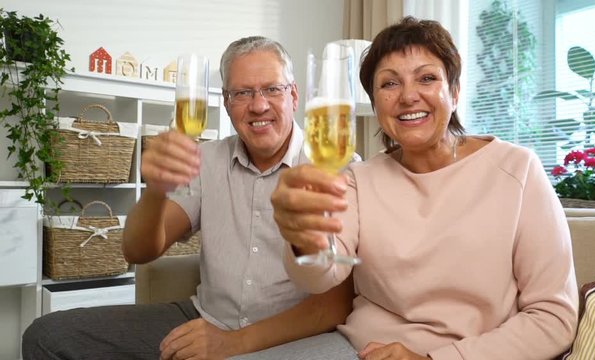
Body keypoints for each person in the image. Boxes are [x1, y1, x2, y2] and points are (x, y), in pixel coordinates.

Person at [22, 36, 356, 360]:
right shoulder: (206, 159)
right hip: (203, 318)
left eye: (272, 89)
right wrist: (156, 189)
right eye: (242, 92)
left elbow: (332, 306)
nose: (258, 105)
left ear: (294, 95)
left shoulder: (332, 166)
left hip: (288, 335)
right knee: (47, 336)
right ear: (226, 102)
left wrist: (232, 344)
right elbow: (138, 251)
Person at [271, 17, 579, 360]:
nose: (408, 96)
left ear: (455, 92)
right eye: (389, 84)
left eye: (427, 78)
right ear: (376, 104)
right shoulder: (359, 179)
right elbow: (320, 276)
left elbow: (554, 318)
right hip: (358, 349)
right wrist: (300, 236)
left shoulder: (517, 170)